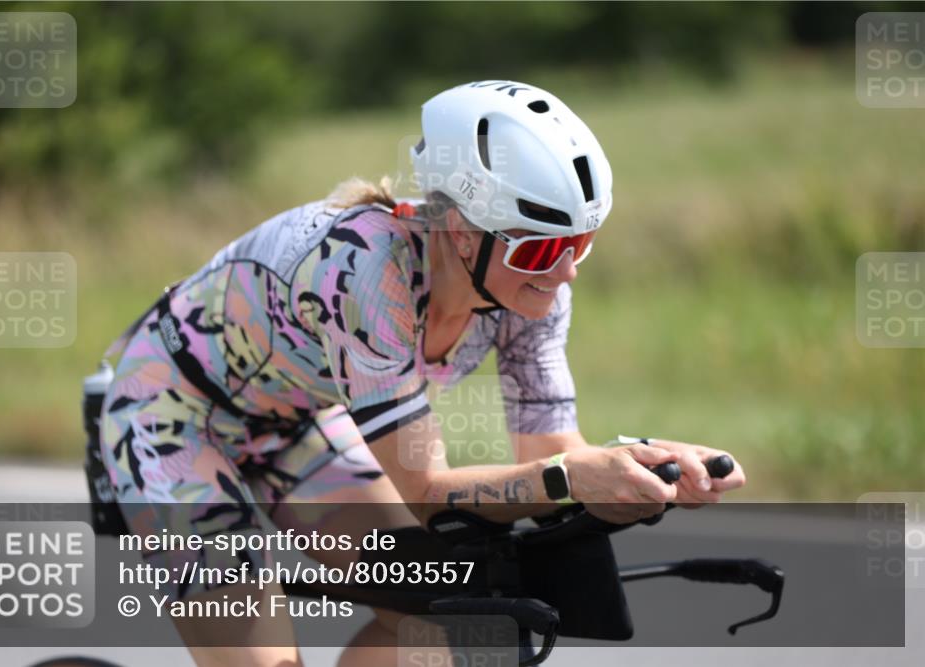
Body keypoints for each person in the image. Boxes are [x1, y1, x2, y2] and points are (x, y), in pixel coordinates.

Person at [91, 80, 746, 667]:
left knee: (447, 613)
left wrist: (641, 465)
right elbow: (429, 490)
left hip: (297, 424)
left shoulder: (531, 289)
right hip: (171, 414)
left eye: (580, 243)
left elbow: (549, 452)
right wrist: (573, 476)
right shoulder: (365, 269)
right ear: (461, 230)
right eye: (544, 247)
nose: (567, 271)